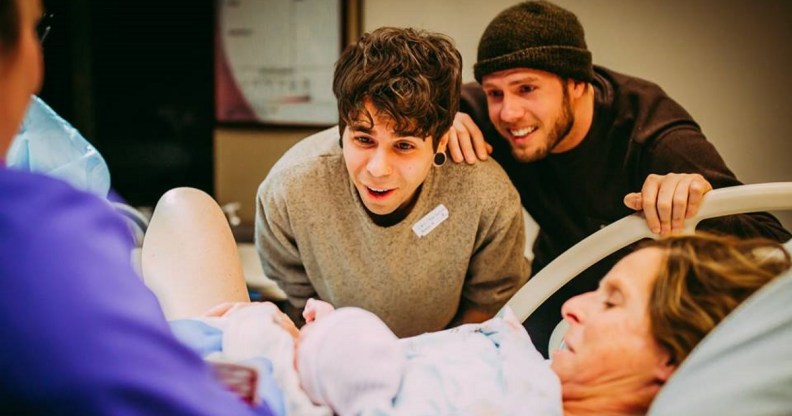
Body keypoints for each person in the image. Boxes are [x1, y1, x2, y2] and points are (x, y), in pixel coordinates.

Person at [447, 0, 791, 354]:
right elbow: (416, 105)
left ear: (578, 83)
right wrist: (442, 119)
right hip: (562, 276)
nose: (509, 112)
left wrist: (699, 197)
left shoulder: (651, 134)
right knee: (498, 357)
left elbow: (774, 245)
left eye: (527, 89)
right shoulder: (488, 117)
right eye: (494, 93)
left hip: (648, 300)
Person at [0, 0, 276, 413]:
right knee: (188, 209)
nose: (37, 69)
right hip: (207, 370)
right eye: (34, 30)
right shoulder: (34, 238)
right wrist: (280, 354)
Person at [190, 232, 790, 415]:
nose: (574, 307)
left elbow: (370, 392)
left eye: (611, 301)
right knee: (185, 211)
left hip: (266, 389)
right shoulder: (529, 371)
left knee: (175, 214)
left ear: (672, 357)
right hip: (283, 361)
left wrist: (314, 339)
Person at [255, 27, 530, 337]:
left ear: (440, 143)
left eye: (404, 146)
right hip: (330, 344)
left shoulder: (486, 194)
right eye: (363, 139)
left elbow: (489, 300)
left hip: (445, 353)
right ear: (342, 127)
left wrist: (424, 361)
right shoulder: (289, 188)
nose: (378, 169)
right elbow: (296, 290)